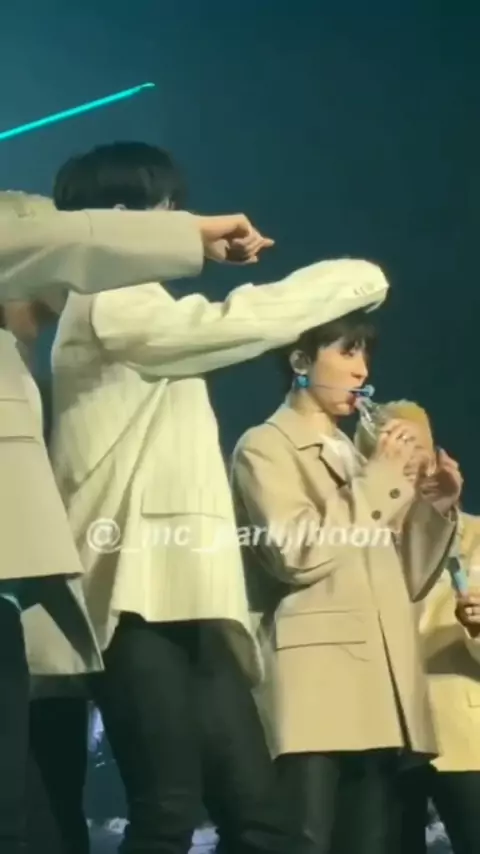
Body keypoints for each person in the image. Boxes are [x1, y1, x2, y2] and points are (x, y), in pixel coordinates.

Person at [46, 140, 390, 854]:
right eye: (164, 208)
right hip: (133, 597)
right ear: (119, 218)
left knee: (259, 820)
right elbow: (231, 323)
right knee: (168, 810)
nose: (179, 220)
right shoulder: (107, 297)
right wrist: (355, 277)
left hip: (192, 594)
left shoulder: (135, 302)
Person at [0, 192, 269, 854]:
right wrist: (186, 232)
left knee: (42, 822)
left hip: (40, 620)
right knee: (153, 809)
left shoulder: (36, 372)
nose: (70, 283)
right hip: (68, 607)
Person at [230, 314, 460, 854]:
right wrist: (380, 479)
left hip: (381, 688)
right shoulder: (265, 446)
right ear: (301, 361)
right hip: (314, 690)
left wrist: (434, 506)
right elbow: (296, 552)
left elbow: (408, 577)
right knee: (304, 840)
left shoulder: (357, 454)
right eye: (347, 353)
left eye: (365, 357)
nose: (361, 371)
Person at [355, 401, 480, 854]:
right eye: (390, 446)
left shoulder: (476, 537)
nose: (406, 458)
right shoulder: (352, 543)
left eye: (414, 444)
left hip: (466, 738)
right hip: (381, 741)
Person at [0, 189, 274, 300]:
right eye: (163, 206)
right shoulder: (110, 300)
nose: (170, 212)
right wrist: (192, 233)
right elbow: (59, 239)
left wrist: (192, 235)